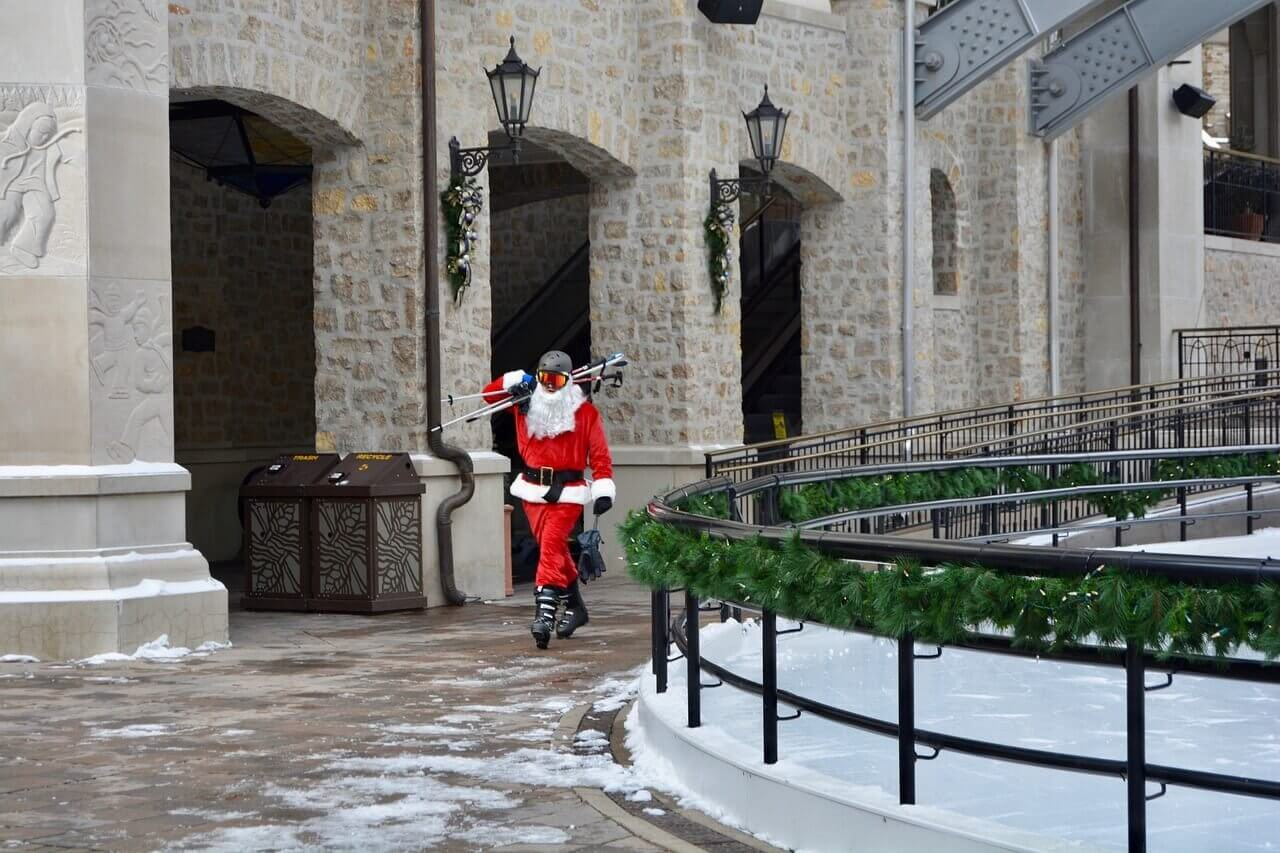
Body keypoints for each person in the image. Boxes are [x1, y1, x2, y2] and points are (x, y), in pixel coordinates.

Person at [483, 350, 615, 649]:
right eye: (545, 379)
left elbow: (600, 456)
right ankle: (576, 608)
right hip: (532, 491)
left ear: (568, 380)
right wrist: (516, 381)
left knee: (552, 545)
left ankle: (544, 612)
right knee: (552, 551)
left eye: (556, 379)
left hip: (567, 492)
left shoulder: (586, 414)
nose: (550, 386)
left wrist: (604, 488)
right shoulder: (524, 404)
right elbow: (488, 397)